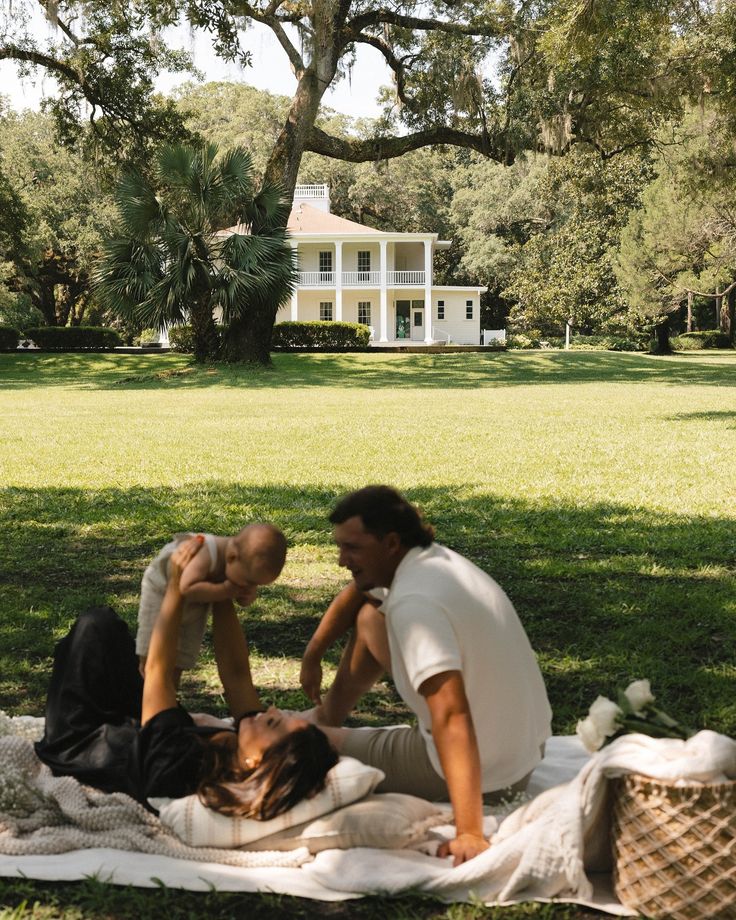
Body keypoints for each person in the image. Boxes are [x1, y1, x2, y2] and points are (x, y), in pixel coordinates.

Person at [300, 486, 552, 866]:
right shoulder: (433, 562)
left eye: (351, 548)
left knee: (311, 742)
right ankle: (327, 713)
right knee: (371, 617)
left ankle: (317, 729)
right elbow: (358, 593)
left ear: (390, 542)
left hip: (490, 776)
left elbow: (451, 714)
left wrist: (469, 832)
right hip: (523, 752)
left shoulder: (415, 604)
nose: (341, 560)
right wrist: (313, 654)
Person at [35, 536, 338, 817]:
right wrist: (224, 588)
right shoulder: (242, 747)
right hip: (130, 724)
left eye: (274, 722)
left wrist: (177, 588)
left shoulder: (179, 764)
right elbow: (235, 674)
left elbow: (159, 673)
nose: (270, 711)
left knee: (96, 627)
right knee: (108, 633)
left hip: (79, 738)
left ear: (257, 762)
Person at [136, 524, 287, 682]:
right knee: (152, 649)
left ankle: (169, 693)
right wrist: (224, 589)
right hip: (162, 591)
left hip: (195, 604)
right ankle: (146, 686)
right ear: (231, 557)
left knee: (179, 657)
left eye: (256, 585)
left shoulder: (242, 564)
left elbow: (243, 599)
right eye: (249, 582)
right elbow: (186, 587)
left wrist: (246, 597)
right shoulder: (205, 552)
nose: (250, 587)